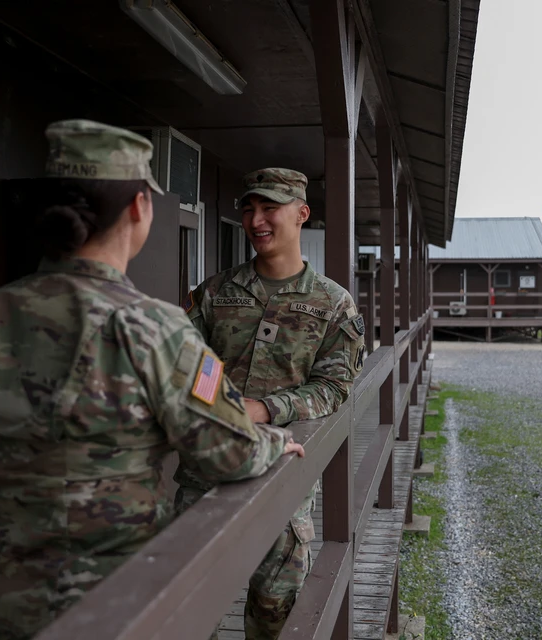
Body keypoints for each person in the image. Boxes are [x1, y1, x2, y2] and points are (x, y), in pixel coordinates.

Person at [0, 120, 304, 640]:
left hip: (3, 593)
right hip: (117, 595)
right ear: (138, 208)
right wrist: (274, 442)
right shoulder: (154, 327)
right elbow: (228, 450)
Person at [174, 168, 366, 640]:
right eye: (247, 208)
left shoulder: (333, 304)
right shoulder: (214, 294)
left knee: (275, 611)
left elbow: (335, 386)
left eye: (269, 208)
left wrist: (265, 409)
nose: (255, 219)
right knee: (187, 609)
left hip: (284, 481)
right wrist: (214, 399)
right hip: (206, 478)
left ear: (301, 214)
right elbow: (183, 365)